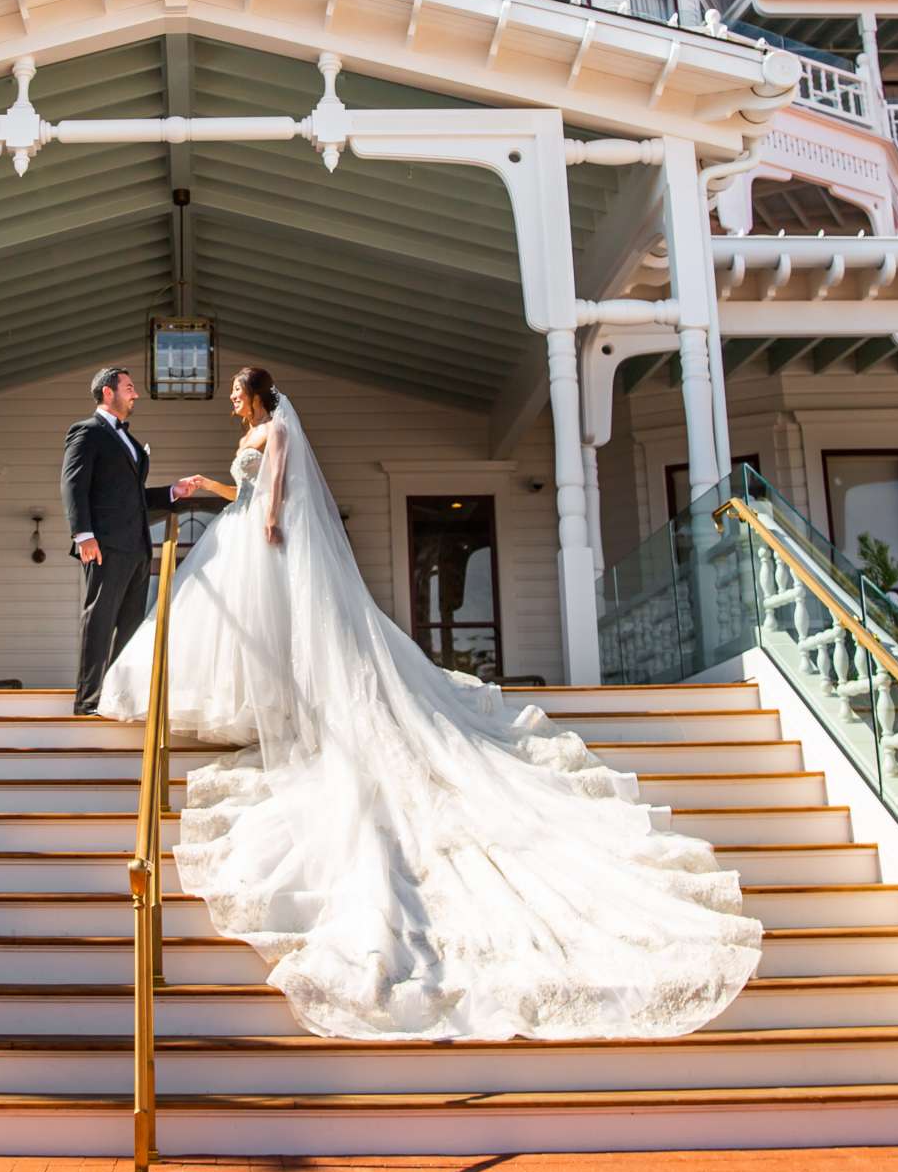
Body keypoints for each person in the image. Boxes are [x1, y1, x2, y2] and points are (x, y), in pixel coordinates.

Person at [96, 366, 763, 1042]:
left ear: (258, 394)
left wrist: (269, 524)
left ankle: (291, 707)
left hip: (266, 537)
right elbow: (242, 489)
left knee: (270, 626)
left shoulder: (277, 428)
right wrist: (200, 488)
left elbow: (276, 491)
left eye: (238, 392)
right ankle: (248, 703)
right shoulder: (252, 434)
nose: (233, 401)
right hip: (240, 527)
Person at [61, 366, 198, 716]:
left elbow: (133, 496)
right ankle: (88, 701)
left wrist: (172, 492)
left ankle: (118, 698)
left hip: (138, 547)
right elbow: (73, 484)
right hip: (104, 545)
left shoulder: (130, 442)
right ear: (109, 393)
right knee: (100, 621)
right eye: (129, 387)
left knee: (131, 627)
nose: (135, 394)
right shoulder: (87, 432)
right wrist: (84, 535)